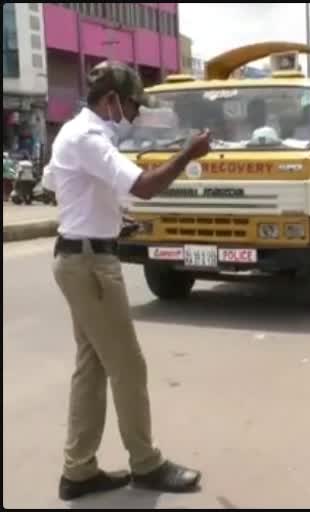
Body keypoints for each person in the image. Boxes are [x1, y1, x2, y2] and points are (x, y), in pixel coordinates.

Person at [42, 60, 211, 501]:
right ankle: (146, 463)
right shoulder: (90, 137)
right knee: (128, 367)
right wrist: (188, 154)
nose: (135, 114)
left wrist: (113, 219)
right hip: (91, 265)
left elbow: (63, 186)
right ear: (112, 100)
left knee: (92, 366)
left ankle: (78, 470)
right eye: (133, 105)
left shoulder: (77, 133)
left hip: (81, 256)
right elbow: (146, 187)